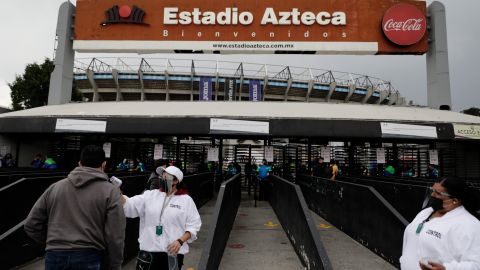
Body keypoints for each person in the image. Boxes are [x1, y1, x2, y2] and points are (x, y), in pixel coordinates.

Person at [24, 145, 126, 270]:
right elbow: (115, 234)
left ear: (79, 163)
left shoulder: (55, 188)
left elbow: (31, 224)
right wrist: (115, 264)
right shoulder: (110, 191)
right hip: (90, 256)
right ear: (104, 164)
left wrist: (52, 241)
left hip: (54, 256)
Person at [122, 166, 201, 270]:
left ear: (176, 180)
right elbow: (129, 205)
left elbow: (193, 225)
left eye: (166, 176)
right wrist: (118, 192)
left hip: (172, 254)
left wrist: (180, 241)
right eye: (162, 175)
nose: (162, 178)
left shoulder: (186, 200)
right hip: (149, 253)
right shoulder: (150, 195)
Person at [400, 177, 480, 270]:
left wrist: (446, 268)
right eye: (432, 190)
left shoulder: (469, 225)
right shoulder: (426, 212)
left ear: (455, 200)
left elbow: (476, 265)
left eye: (438, 193)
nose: (432, 195)